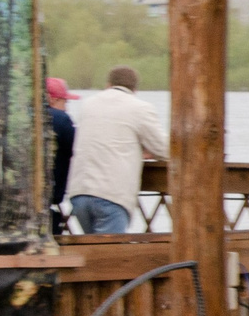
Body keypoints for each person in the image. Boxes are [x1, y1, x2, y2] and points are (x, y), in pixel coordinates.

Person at [64, 67, 166, 235]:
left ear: (108, 85)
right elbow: (162, 148)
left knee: (94, 255)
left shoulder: (89, 104)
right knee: (107, 257)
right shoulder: (140, 108)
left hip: (79, 193)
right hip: (111, 196)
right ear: (135, 89)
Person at [43, 76, 75, 235]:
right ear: (52, 99)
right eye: (64, 102)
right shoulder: (60, 119)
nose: (66, 108)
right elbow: (78, 148)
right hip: (46, 200)